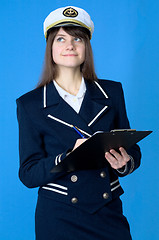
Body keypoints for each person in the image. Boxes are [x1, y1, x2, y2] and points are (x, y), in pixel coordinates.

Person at [16, 6, 141, 240]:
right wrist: (67, 157)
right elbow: (28, 174)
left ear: (87, 47)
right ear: (50, 48)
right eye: (60, 38)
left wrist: (124, 162)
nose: (69, 45)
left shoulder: (112, 92)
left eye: (77, 38)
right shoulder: (30, 104)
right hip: (59, 216)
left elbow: (132, 150)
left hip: (107, 211)